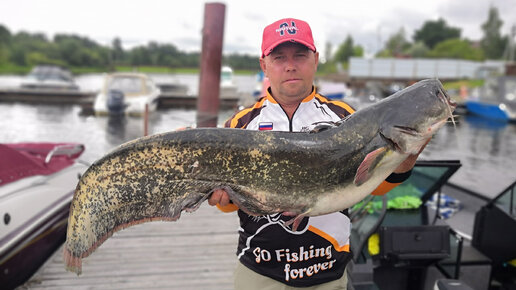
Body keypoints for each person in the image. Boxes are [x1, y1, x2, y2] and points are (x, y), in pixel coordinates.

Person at [208, 18, 424, 290]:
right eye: (278, 57)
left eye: (300, 55)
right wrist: (221, 198)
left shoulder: (346, 118)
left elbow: (376, 186)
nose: (290, 65)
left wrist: (410, 149)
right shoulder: (240, 125)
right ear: (264, 65)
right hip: (260, 271)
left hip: (327, 272)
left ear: (315, 59)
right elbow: (229, 204)